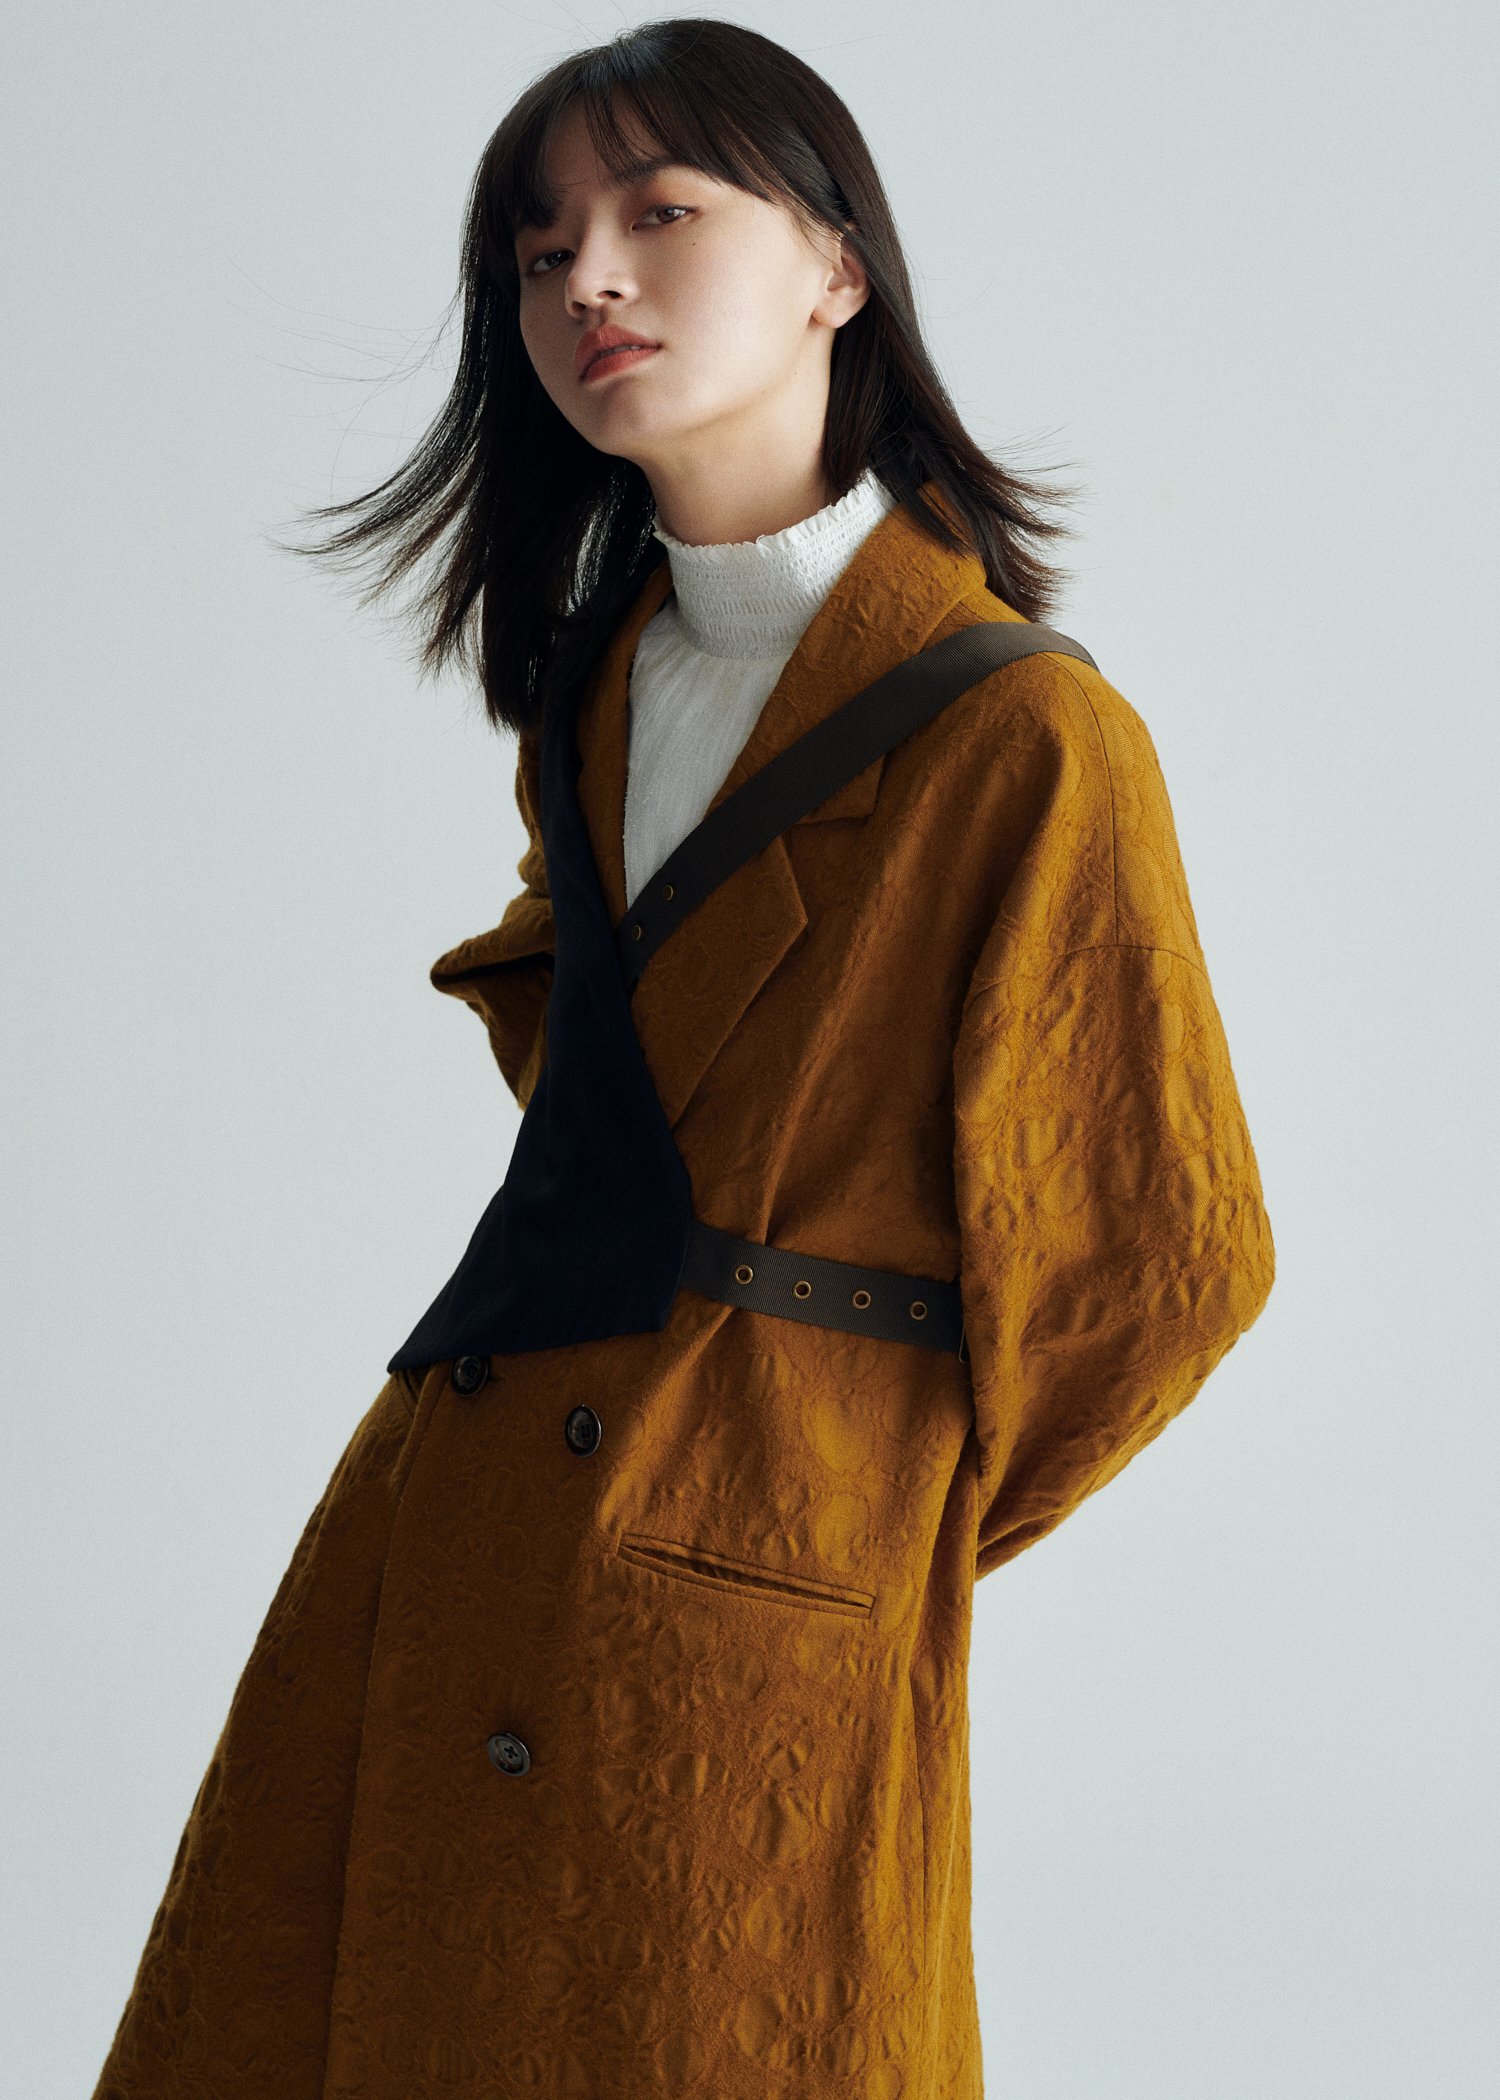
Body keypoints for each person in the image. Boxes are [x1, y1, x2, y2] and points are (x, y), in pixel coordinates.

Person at [95, 20, 1273, 2100]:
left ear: (838, 265)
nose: (591, 281)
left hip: (754, 1575)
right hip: (447, 1506)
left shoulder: (1026, 740)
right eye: (542, 249)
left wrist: (829, 1492)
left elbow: (1161, 1267)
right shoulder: (599, 688)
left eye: (661, 212)